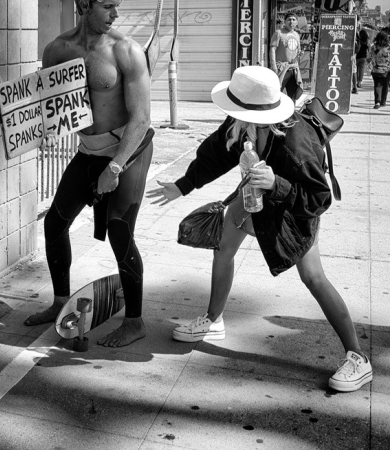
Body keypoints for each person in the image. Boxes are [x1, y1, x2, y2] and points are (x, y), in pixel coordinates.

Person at [147, 66, 372, 393]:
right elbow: (214, 155)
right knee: (224, 244)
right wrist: (182, 186)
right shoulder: (242, 123)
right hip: (255, 195)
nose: (230, 115)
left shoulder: (297, 144)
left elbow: (318, 199)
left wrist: (276, 184)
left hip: (296, 208)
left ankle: (358, 358)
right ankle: (213, 320)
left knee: (313, 277)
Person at [23, 0, 154, 348]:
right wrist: (39, 130)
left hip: (129, 148)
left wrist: (115, 167)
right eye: (109, 6)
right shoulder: (57, 50)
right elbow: (52, 105)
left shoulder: (125, 51)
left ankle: (135, 320)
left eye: (118, 7)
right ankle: (60, 302)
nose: (116, 14)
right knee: (54, 224)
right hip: (90, 150)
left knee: (120, 230)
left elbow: (141, 118)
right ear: (86, 3)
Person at [269, 13, 303, 100]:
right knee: (276, 93)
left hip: (293, 69)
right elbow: (272, 49)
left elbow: (296, 51)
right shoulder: (278, 33)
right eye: (289, 19)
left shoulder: (297, 35)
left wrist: (299, 54)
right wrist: (273, 66)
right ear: (285, 22)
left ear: (296, 22)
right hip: (281, 68)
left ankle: (291, 113)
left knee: (293, 95)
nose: (291, 22)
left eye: (293, 20)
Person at [368, 30, 390, 109]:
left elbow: (369, 57)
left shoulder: (373, 46)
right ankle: (383, 102)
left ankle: (377, 101)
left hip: (376, 69)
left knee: (377, 85)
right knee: (385, 86)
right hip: (386, 70)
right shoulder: (388, 47)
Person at [355, 24, 370, 91]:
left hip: (356, 56)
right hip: (363, 58)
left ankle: (354, 83)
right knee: (361, 71)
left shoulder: (358, 40)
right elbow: (369, 49)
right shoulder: (367, 41)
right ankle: (359, 83)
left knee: (355, 71)